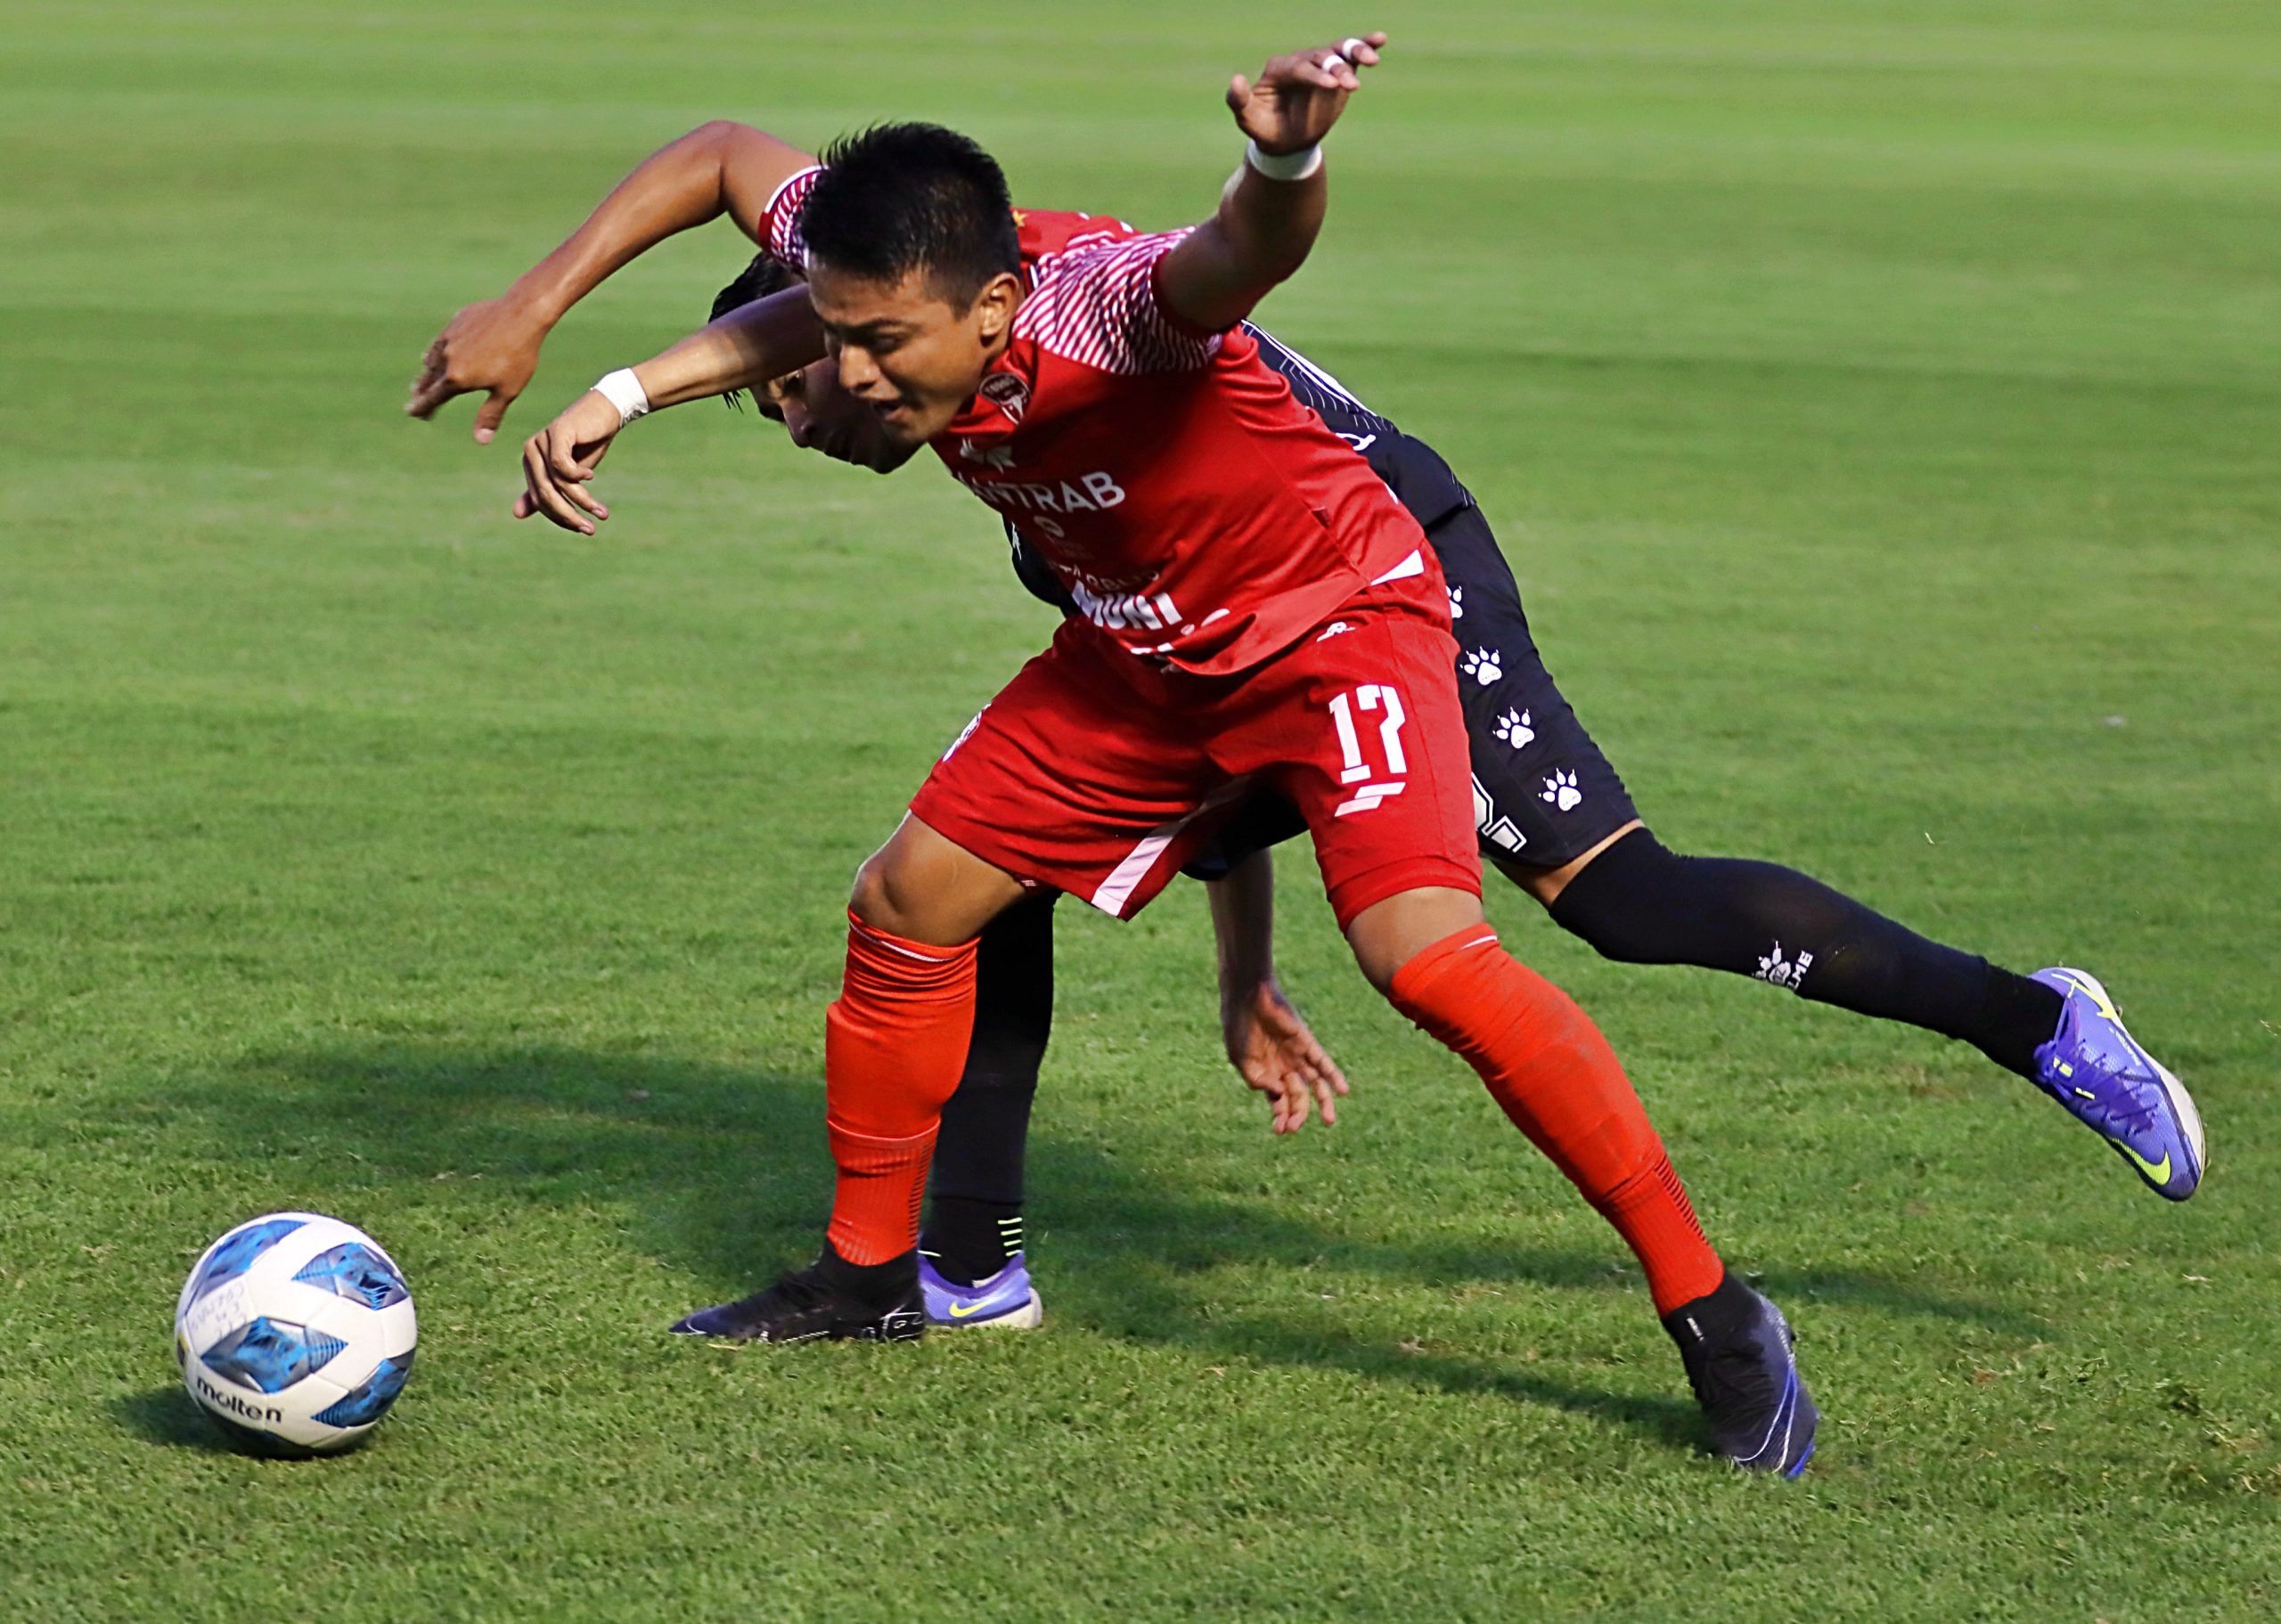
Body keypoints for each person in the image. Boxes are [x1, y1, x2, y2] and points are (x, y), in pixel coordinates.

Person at [443, 36, 1823, 1473]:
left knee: (1425, 957)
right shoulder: (885, 270)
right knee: (910, 901)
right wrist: (591, 369)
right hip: (1143, 656)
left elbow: (1242, 248)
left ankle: (1718, 1316)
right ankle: (866, 1281)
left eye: (880, 346)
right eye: (829, 336)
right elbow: (723, 150)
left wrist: (1285, 158)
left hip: (1336, 621)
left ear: (994, 306)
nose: (843, 375)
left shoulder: (1110, 309)